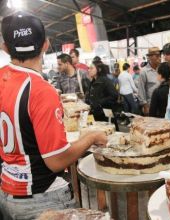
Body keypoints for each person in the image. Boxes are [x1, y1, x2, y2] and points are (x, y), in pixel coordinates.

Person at [0, 12, 107, 220]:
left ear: (5, 47)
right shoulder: (40, 89)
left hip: (8, 189)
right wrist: (92, 137)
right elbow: (56, 160)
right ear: (46, 44)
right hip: (42, 197)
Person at [137, 47, 161, 116]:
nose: (159, 58)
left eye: (159, 55)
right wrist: (145, 106)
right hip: (151, 105)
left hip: (162, 104)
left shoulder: (161, 69)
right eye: (157, 56)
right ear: (150, 57)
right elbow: (141, 90)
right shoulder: (144, 72)